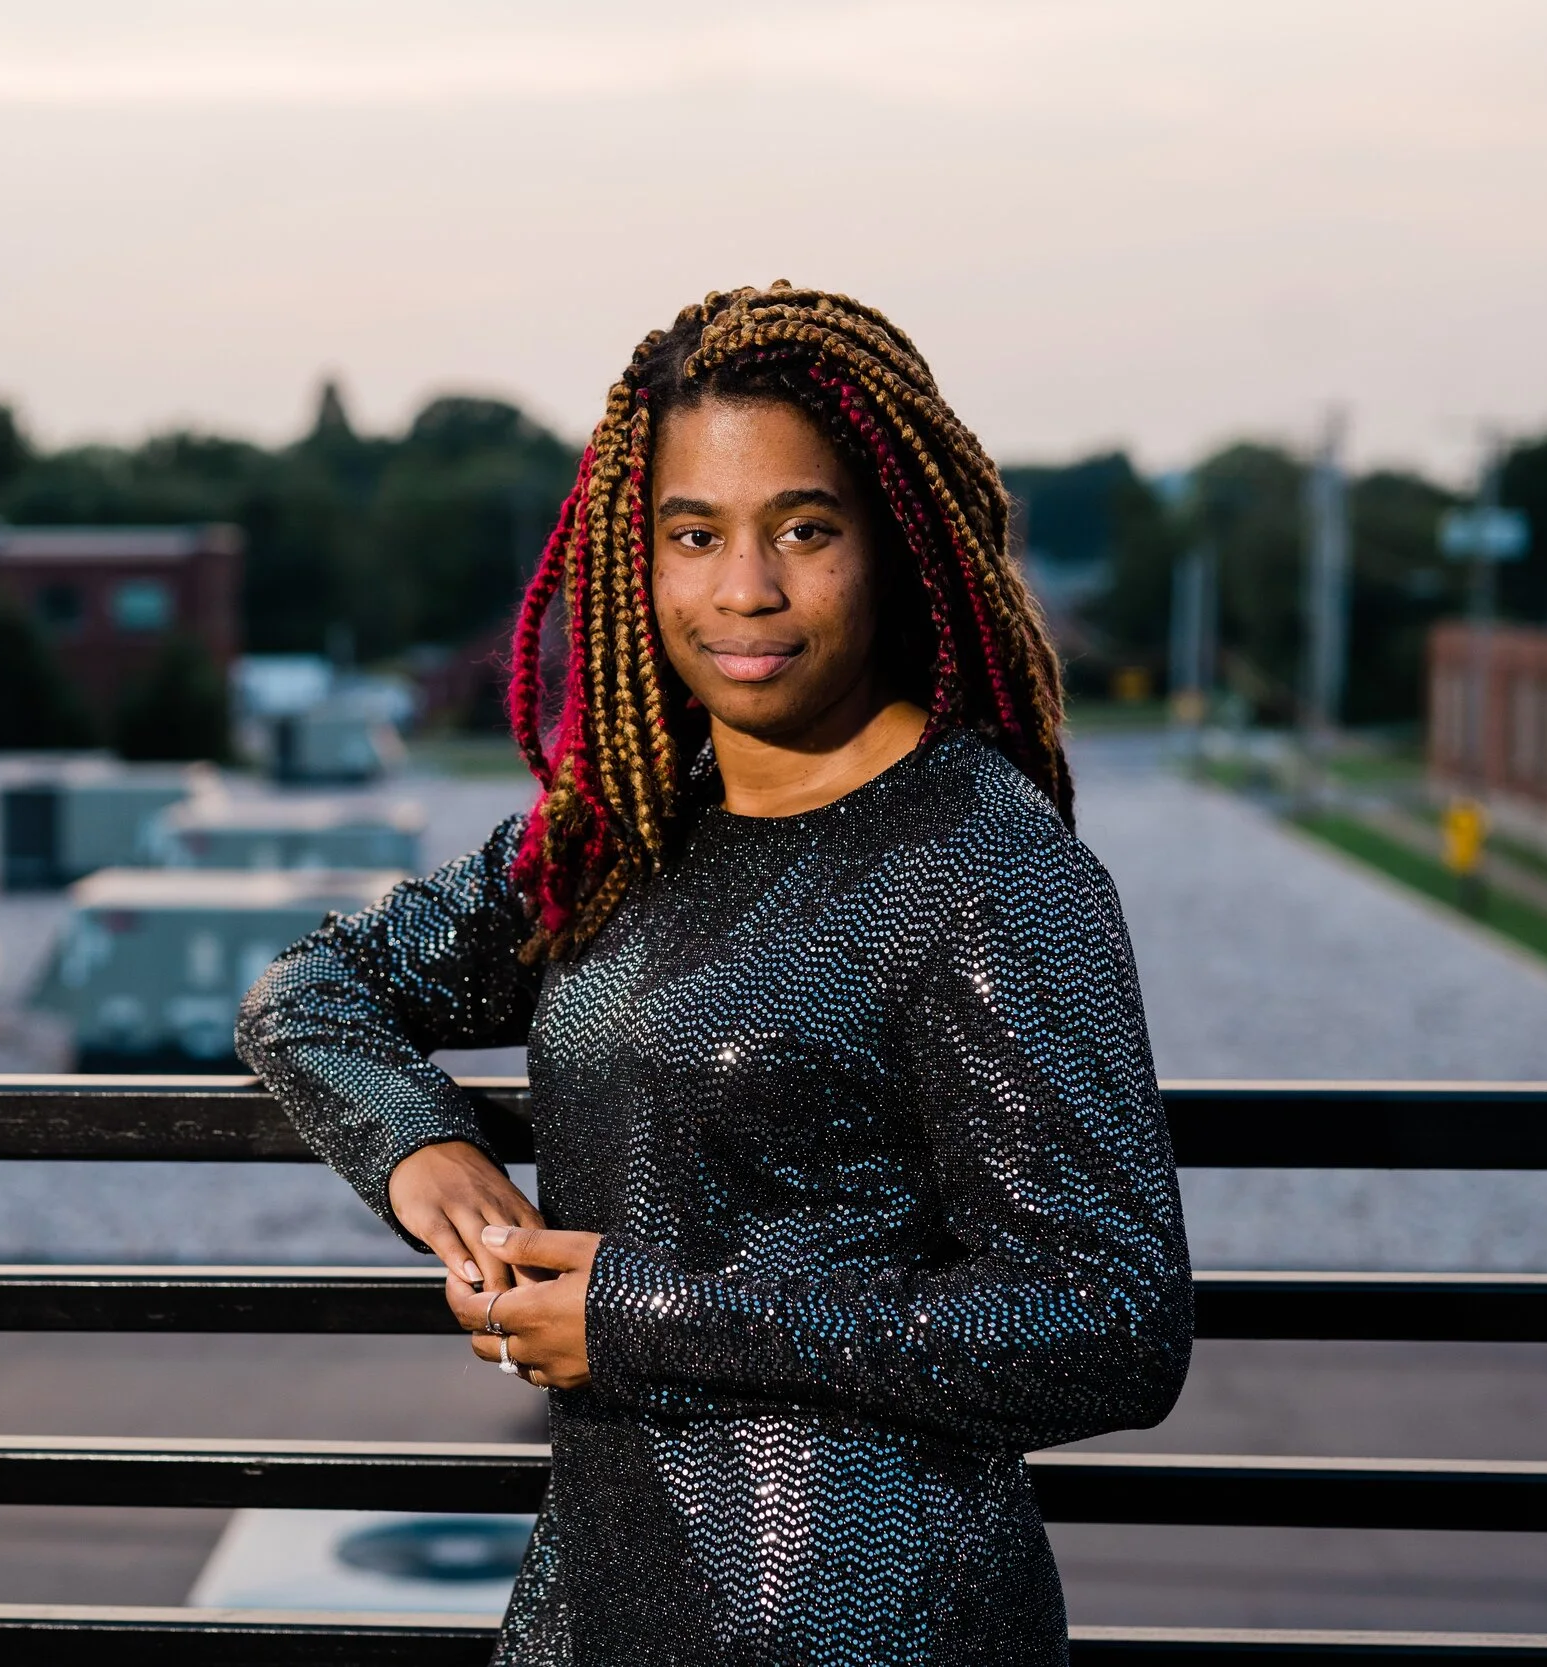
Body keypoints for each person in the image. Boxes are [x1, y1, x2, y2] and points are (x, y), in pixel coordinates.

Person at [237, 283, 1191, 1665]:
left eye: (805, 529)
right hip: (600, 1602)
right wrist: (418, 1147)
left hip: (880, 1626)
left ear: (899, 542)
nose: (746, 589)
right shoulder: (617, 830)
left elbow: (1111, 1321)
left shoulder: (990, 864)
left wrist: (642, 1313)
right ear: (641, 560)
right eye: (695, 535)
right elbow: (310, 991)